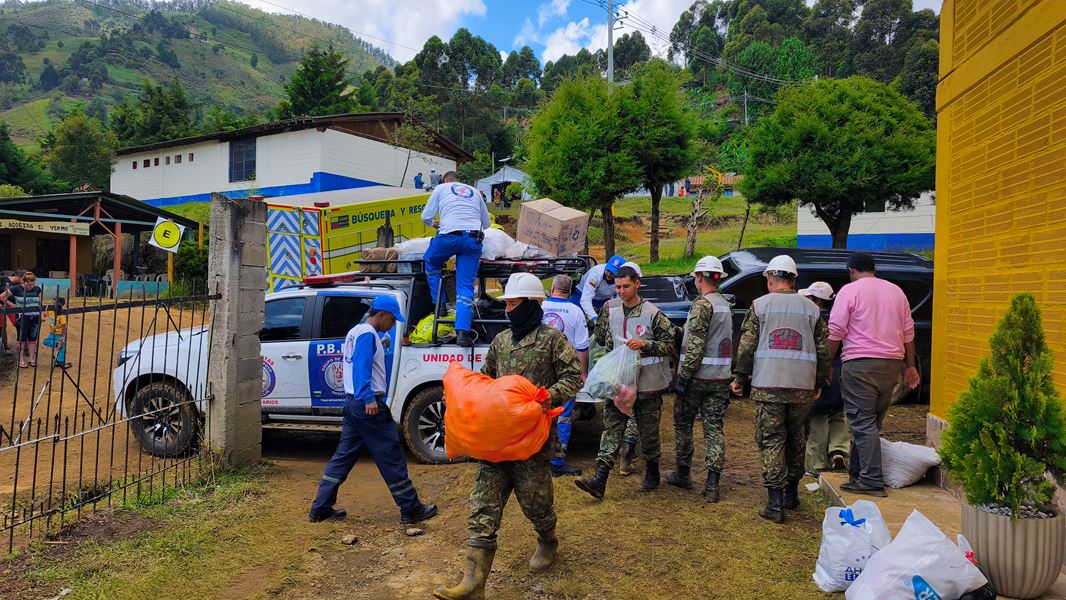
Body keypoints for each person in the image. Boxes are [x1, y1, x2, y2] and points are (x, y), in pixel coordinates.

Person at [434, 273, 582, 600]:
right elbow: (485, 381)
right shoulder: (501, 341)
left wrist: (551, 395)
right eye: (507, 304)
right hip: (497, 441)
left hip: (532, 440)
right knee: (483, 505)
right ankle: (473, 583)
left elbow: (574, 377)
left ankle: (547, 540)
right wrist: (460, 397)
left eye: (513, 303)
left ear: (531, 304)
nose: (508, 310)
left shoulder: (552, 340)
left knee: (536, 503)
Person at [309, 295, 438, 525]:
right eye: (391, 319)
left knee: (343, 457)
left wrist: (381, 342)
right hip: (367, 405)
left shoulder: (356, 332)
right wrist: (368, 397)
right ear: (381, 314)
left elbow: (360, 357)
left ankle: (320, 507)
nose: (393, 324)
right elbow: (361, 367)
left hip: (352, 404)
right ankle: (411, 509)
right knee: (391, 454)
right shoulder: (368, 335)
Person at [731, 255, 829, 523]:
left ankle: (775, 504)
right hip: (802, 387)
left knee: (772, 440)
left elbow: (747, 346)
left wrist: (740, 377)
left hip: (768, 386)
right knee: (797, 439)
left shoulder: (760, 305)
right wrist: (819, 381)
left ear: (771, 278)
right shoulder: (811, 309)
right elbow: (822, 349)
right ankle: (791, 495)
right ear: (793, 279)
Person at [575, 264, 675, 499]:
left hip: (648, 384)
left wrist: (645, 344)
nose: (621, 291)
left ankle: (652, 473)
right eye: (618, 287)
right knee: (612, 429)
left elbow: (669, 344)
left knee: (648, 431)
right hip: (619, 383)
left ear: (637, 284)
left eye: (626, 286)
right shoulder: (610, 309)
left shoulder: (652, 313)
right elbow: (601, 337)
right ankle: (599, 479)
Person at [829, 252, 920, 497]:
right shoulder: (896, 292)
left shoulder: (849, 291)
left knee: (862, 422)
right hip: (891, 366)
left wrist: (826, 364)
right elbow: (908, 332)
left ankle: (870, 479)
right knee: (870, 423)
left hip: (861, 364)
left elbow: (836, 330)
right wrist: (910, 366)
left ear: (851, 270)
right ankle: (857, 473)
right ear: (873, 268)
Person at [665, 256, 734, 502]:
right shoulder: (724, 304)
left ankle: (683, 473)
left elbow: (695, 344)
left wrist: (683, 377)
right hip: (720, 378)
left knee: (683, 424)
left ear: (699, 278)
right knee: (714, 428)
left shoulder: (702, 305)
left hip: (697, 377)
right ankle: (713, 484)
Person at [421, 172, 492, 347]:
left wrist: (434, 224)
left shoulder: (441, 188)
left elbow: (426, 217)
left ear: (445, 180)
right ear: (460, 181)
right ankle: (462, 333)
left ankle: (440, 304)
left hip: (448, 238)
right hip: (473, 241)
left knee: (431, 261)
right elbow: (487, 223)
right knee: (465, 287)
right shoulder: (474, 192)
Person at [541, 275, 589, 477]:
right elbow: (582, 346)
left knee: (538, 410)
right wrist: (583, 373)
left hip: (541, 368)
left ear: (552, 289)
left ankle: (534, 455)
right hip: (565, 370)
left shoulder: (540, 306)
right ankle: (557, 461)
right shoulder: (576, 311)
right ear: (569, 292)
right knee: (563, 414)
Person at [800, 282, 848, 474]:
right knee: (838, 412)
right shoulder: (839, 318)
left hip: (821, 372)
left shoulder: (814, 321)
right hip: (841, 370)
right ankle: (839, 451)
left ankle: (817, 464)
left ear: (817, 301)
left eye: (810, 298)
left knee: (817, 416)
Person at [1, 271, 43, 369]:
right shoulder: (16, 288)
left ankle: (32, 359)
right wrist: (13, 305)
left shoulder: (37, 289)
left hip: (35, 317)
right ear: (23, 282)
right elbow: (2, 297)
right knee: (21, 338)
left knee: (33, 338)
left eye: (33, 284)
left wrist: (41, 314)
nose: (31, 287)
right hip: (22, 317)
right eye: (29, 285)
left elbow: (39, 303)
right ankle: (20, 360)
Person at [576, 255, 626, 321]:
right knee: (575, 313)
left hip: (603, 299)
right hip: (581, 293)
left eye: (613, 272)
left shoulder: (623, 279)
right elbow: (585, 299)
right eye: (608, 270)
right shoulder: (596, 274)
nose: (609, 274)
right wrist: (594, 318)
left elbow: (619, 301)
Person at [43, 297, 71, 370]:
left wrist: (63, 336)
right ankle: (57, 343)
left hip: (59, 334)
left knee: (62, 347)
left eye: (55, 303)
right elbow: (44, 315)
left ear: (61, 305)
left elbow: (64, 326)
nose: (52, 304)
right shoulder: (50, 311)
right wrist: (43, 316)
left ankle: (60, 361)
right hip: (52, 333)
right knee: (45, 342)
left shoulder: (62, 316)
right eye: (52, 303)